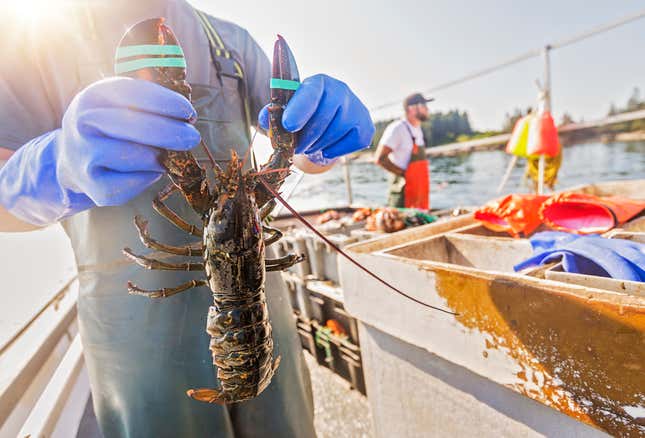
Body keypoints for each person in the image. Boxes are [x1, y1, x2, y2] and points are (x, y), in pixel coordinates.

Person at [0, 2, 374, 437]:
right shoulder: (34, 40)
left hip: (264, 315)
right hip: (136, 334)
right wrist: (55, 166)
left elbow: (299, 148)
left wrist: (321, 143)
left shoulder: (228, 41)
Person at [374, 93, 432, 210]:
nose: (427, 108)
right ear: (411, 108)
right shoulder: (397, 128)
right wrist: (405, 175)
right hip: (402, 193)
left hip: (419, 192)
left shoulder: (417, 129)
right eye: (424, 105)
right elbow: (380, 158)